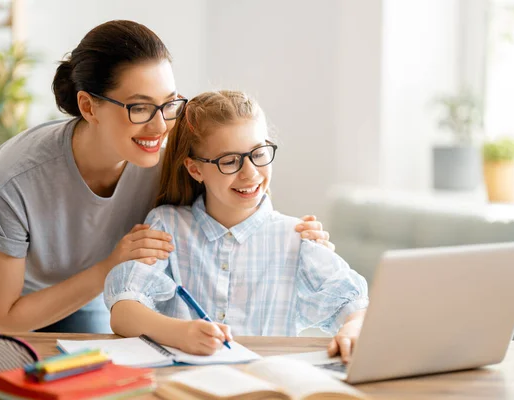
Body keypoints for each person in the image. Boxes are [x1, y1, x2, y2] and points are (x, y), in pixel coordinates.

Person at [0, 21, 332, 333]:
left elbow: (236, 190)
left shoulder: (167, 162)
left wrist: (294, 236)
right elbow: (2, 318)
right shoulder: (17, 174)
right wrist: (109, 266)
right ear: (88, 106)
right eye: (141, 108)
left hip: (83, 293)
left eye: (169, 104)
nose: (160, 126)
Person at [104, 90, 369, 363]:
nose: (250, 172)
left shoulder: (296, 237)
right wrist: (180, 333)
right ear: (195, 170)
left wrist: (353, 329)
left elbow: (355, 306)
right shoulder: (168, 226)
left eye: (258, 153)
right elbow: (124, 311)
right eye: (230, 161)